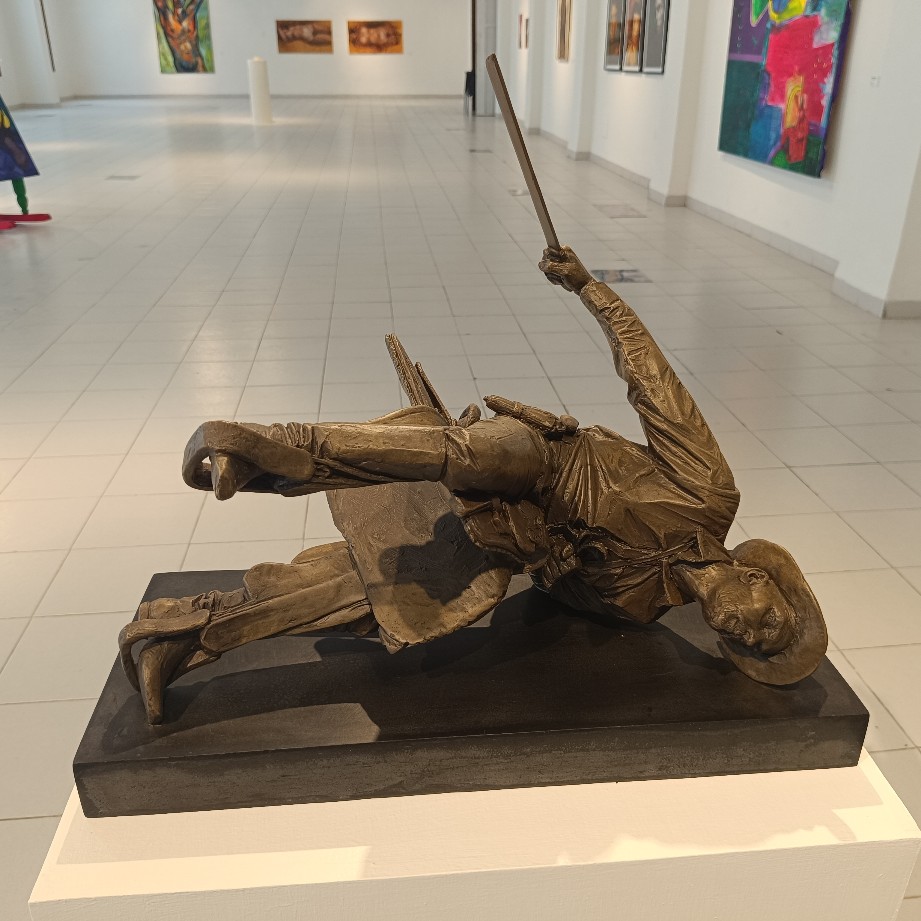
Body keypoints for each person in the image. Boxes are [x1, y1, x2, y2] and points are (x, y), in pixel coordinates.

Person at [120, 246, 827, 724]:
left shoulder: (636, 606)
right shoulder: (709, 494)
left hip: (512, 531)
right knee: (465, 454)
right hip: (548, 459)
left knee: (385, 596)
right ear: (760, 575)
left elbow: (550, 580)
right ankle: (271, 449)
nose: (746, 631)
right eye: (767, 620)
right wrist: (591, 289)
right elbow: (652, 381)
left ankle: (185, 633)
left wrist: (532, 554)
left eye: (752, 644)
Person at [153, 0, 208, 74]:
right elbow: (160, 3)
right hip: (181, 66)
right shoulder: (168, 19)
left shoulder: (190, 13)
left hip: (197, 63)